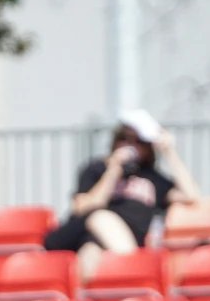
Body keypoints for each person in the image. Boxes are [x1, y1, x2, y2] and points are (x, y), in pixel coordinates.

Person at [41, 110, 199, 275]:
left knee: (90, 253)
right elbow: (84, 206)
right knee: (98, 221)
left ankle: (127, 278)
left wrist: (170, 152)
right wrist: (113, 169)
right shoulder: (97, 168)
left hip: (124, 239)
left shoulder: (153, 178)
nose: (130, 145)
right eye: (124, 138)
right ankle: (134, 268)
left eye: (139, 141)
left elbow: (191, 195)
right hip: (83, 231)